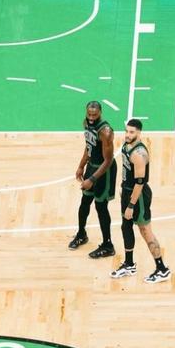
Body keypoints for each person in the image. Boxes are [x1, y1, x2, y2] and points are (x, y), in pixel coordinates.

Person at [110, 118, 172, 284]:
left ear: (139, 133)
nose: (128, 135)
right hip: (127, 192)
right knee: (126, 226)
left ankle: (162, 269)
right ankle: (129, 264)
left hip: (139, 197)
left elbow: (140, 183)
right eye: (126, 131)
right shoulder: (126, 145)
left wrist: (131, 205)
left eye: (132, 132)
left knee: (145, 231)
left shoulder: (139, 154)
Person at [68, 101, 117, 259]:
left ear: (100, 113)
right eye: (89, 114)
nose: (91, 117)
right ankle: (81, 234)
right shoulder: (87, 123)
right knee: (85, 202)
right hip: (92, 165)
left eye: (94, 115)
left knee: (101, 207)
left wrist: (92, 179)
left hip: (104, 170)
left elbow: (108, 160)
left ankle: (108, 245)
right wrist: (81, 166)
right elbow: (89, 146)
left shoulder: (105, 132)